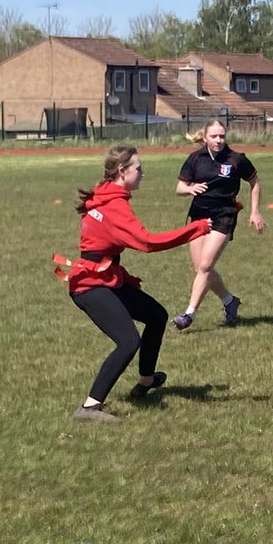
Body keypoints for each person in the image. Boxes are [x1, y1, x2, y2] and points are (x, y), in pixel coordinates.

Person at [65, 145, 211, 422]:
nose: (143, 173)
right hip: (90, 284)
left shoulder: (105, 194)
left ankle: (146, 381)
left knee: (156, 316)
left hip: (104, 276)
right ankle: (88, 408)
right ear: (122, 171)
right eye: (138, 168)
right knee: (128, 341)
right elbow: (147, 242)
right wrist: (197, 228)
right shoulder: (114, 204)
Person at [172, 121, 265, 330]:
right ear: (205, 137)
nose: (219, 140)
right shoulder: (195, 158)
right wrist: (190, 188)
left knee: (205, 266)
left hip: (224, 215)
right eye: (214, 136)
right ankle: (229, 301)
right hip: (198, 216)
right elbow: (179, 187)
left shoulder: (236, 159)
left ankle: (188, 314)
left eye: (222, 136)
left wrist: (255, 211)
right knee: (201, 269)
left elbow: (255, 181)